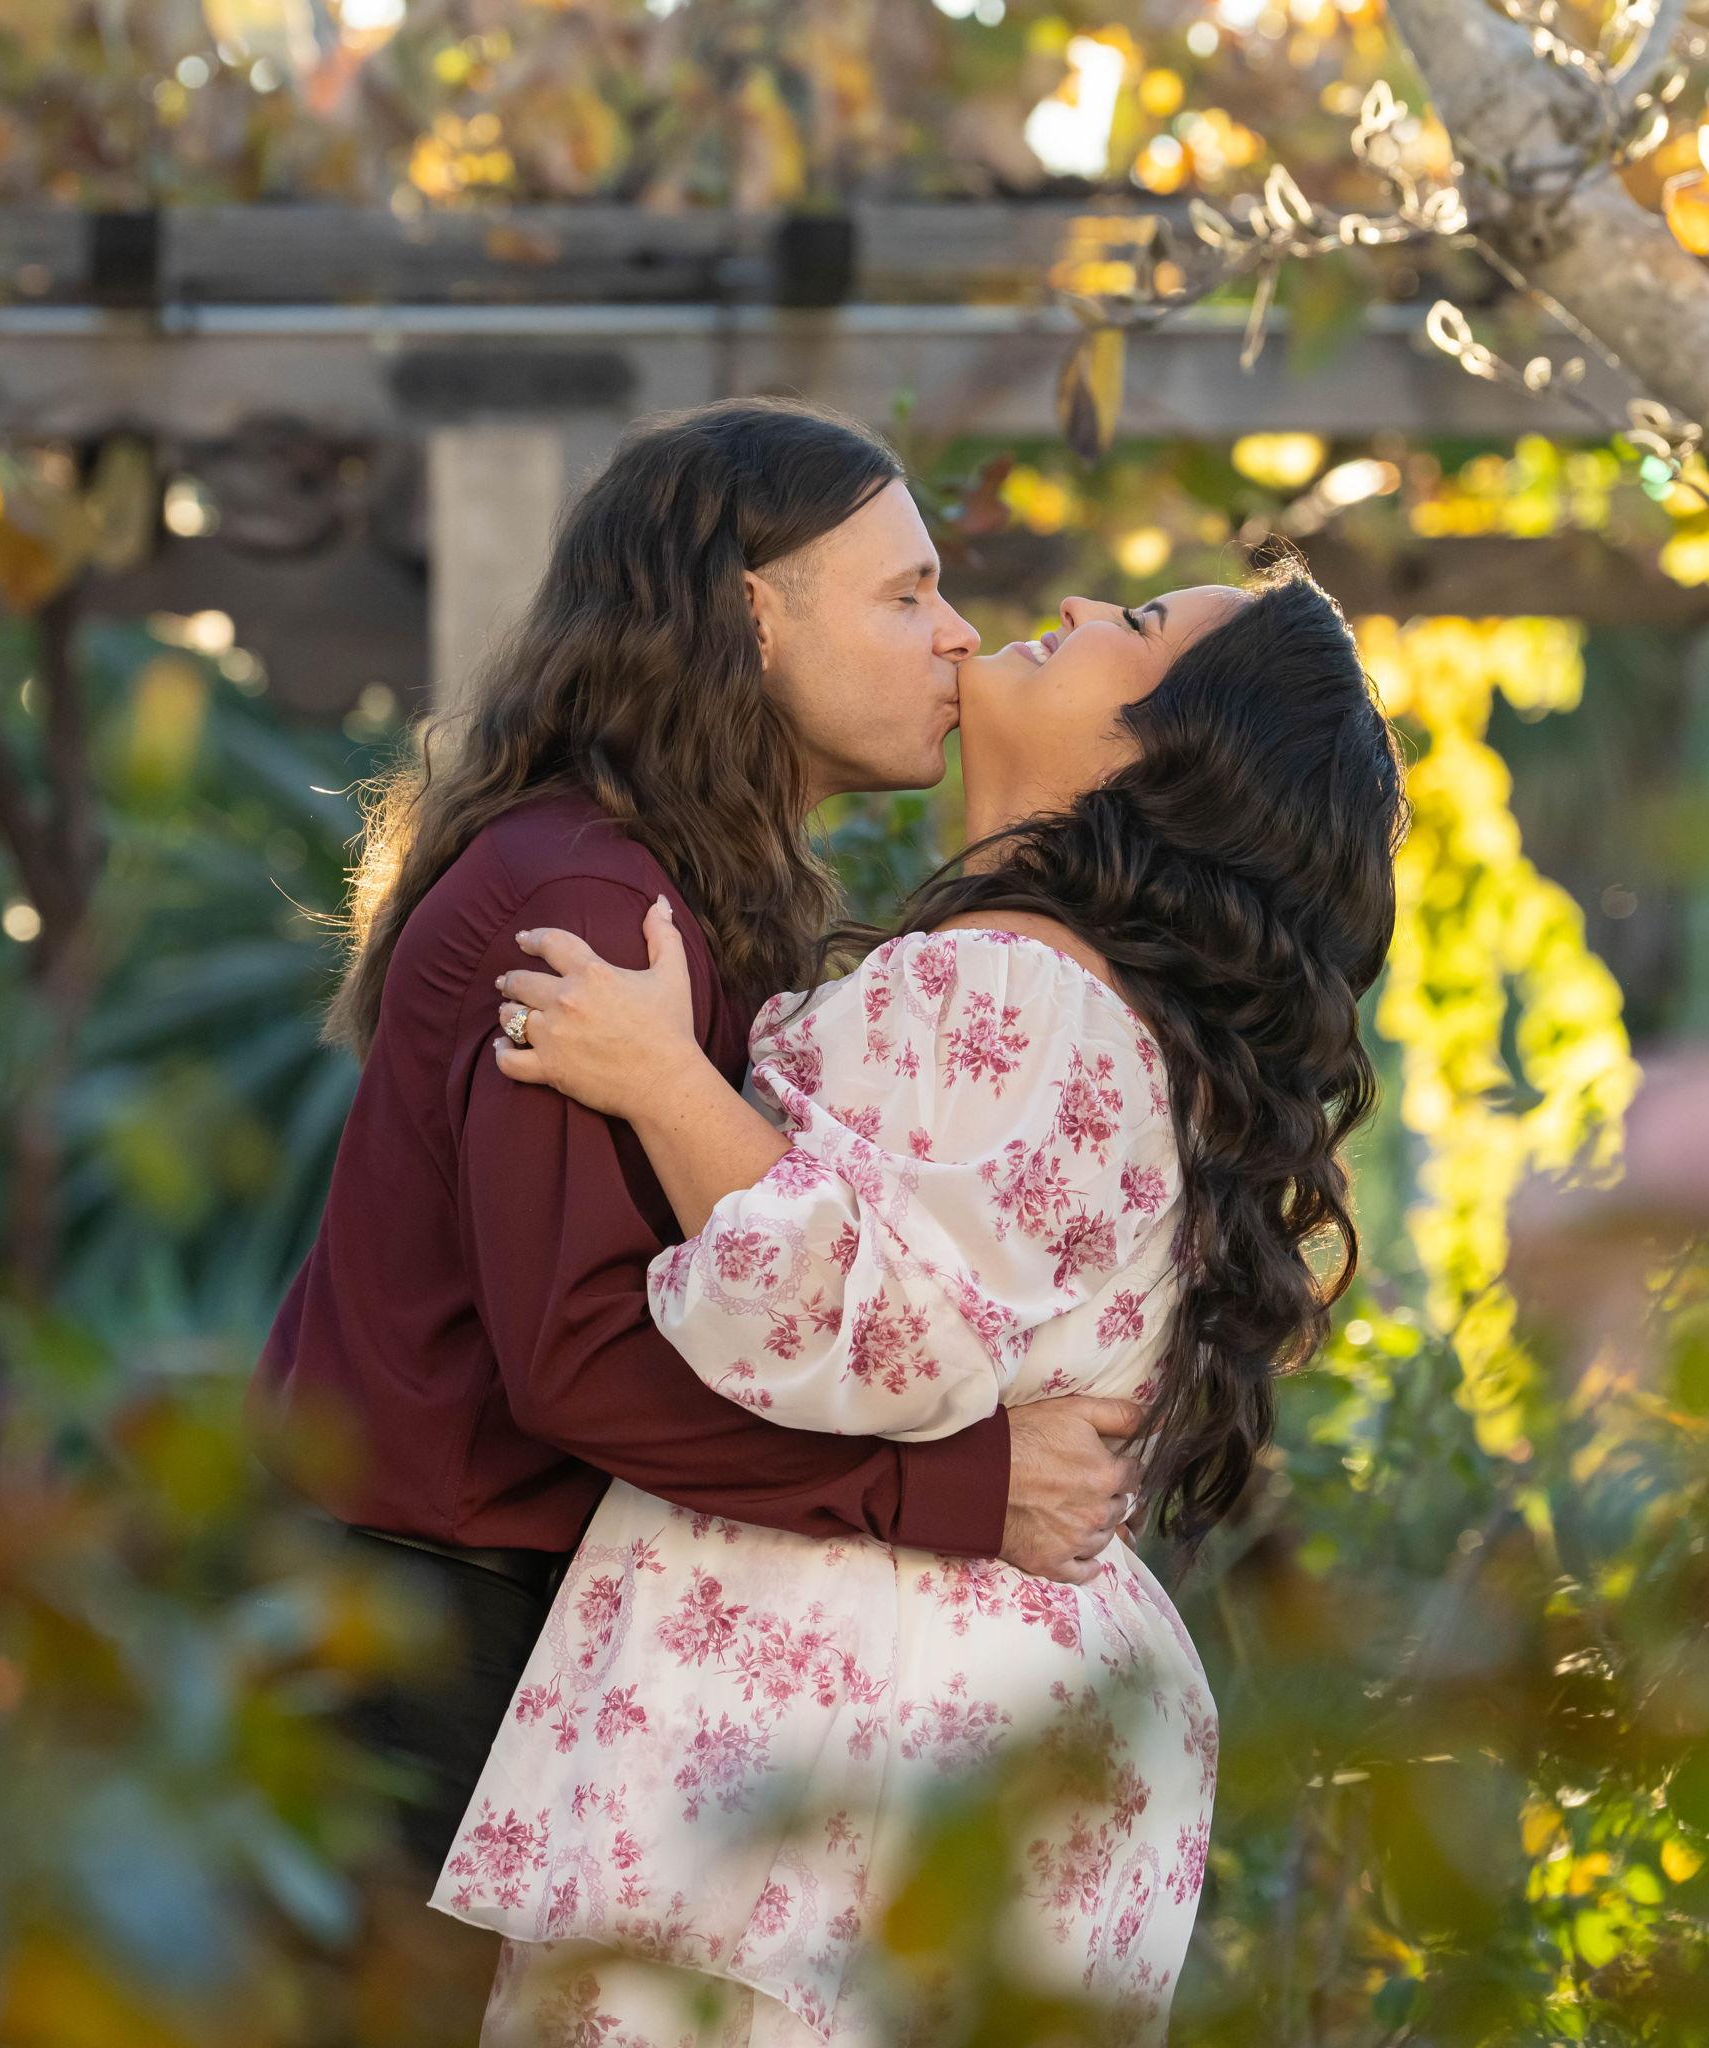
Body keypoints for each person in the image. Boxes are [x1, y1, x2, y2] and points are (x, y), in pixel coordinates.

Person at [435, 563, 1410, 2046]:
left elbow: (873, 1331)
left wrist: (661, 1081)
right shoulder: (1110, 1016)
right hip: (979, 1727)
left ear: (1174, 759)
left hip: (835, 1743)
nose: (1080, 611)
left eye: (1138, 628)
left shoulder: (1007, 987)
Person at [244, 399, 1151, 1920]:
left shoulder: (674, 884)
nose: (955, 636)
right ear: (752, 619)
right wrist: (966, 1487)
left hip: (454, 1611)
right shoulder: (591, 903)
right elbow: (582, 1361)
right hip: (409, 1639)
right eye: (906, 594)